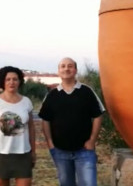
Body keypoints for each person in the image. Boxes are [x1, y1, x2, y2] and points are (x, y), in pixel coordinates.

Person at [39, 57, 105, 186]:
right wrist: (50, 143)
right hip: (60, 151)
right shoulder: (52, 95)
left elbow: (98, 115)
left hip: (84, 151)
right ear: (58, 71)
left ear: (75, 70)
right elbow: (45, 120)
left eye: (70, 66)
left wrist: (92, 140)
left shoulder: (86, 91)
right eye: (63, 66)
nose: (66, 69)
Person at [0, 66, 36, 186]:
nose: (12, 82)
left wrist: (33, 152)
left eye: (15, 79)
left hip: (23, 153)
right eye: (8, 79)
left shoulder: (26, 102)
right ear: (2, 81)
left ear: (19, 81)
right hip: (1, 154)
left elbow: (31, 128)